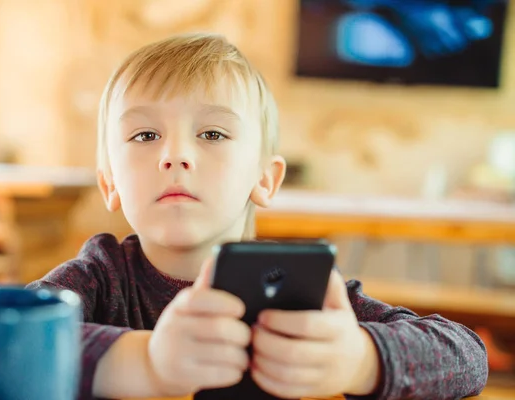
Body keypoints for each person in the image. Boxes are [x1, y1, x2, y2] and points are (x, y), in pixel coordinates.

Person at [27, 33, 488, 400]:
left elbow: (469, 357)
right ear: (109, 183)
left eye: (212, 132)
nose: (175, 155)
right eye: (145, 134)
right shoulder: (100, 276)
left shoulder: (294, 288)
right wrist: (148, 363)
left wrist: (360, 361)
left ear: (265, 179)